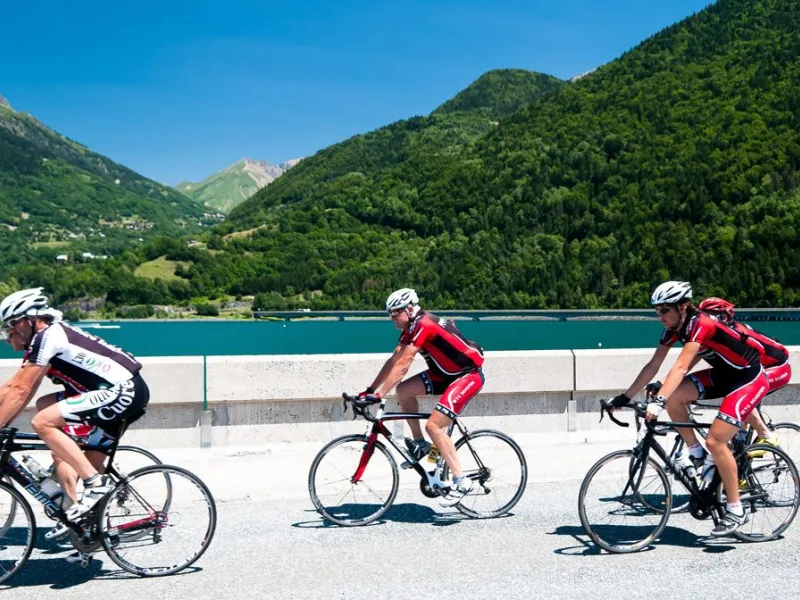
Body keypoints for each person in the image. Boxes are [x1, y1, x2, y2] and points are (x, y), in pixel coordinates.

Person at [609, 281, 768, 536]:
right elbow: (654, 364)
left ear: (682, 307)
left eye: (665, 310)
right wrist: (624, 397)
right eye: (657, 311)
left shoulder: (700, 323)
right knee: (674, 399)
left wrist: (657, 402)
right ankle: (696, 453)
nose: (660, 316)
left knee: (716, 442)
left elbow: (681, 367)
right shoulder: (674, 327)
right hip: (723, 375)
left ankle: (736, 509)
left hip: (747, 378)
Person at [0, 288, 149, 527]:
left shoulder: (47, 337)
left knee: (43, 422)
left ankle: (95, 483)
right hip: (120, 390)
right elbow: (15, 386)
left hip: (119, 392)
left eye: (14, 323)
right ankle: (93, 534)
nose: (11, 330)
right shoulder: (46, 338)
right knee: (45, 406)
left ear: (32, 317)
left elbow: (20, 391)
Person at [360, 288, 485, 506]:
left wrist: (380, 395)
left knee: (434, 427)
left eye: (395, 313)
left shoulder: (424, 324)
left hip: (467, 375)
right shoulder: (411, 326)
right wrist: (371, 390)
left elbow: (403, 365)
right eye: (390, 314)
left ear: (409, 309)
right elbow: (393, 361)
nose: (392, 318)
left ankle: (461, 480)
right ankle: (420, 445)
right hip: (445, 373)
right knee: (403, 391)